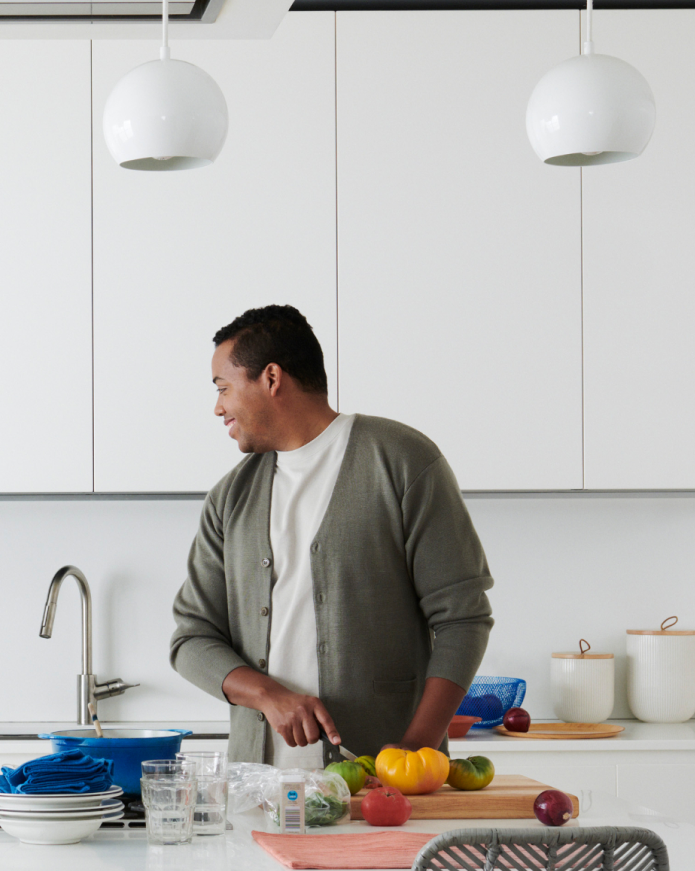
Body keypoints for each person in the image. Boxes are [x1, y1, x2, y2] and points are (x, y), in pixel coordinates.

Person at [170, 304, 494, 767]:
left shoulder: (401, 461)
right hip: (257, 788)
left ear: (272, 378)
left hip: (385, 790)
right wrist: (268, 695)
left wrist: (415, 751)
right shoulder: (231, 496)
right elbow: (191, 637)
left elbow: (463, 619)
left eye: (224, 388)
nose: (218, 406)